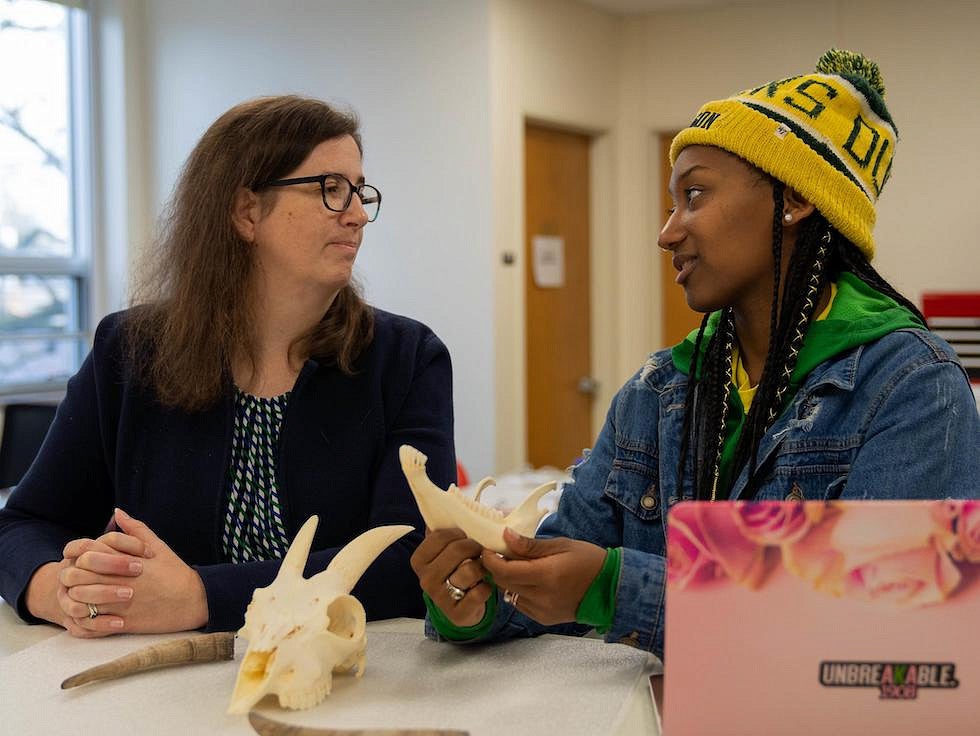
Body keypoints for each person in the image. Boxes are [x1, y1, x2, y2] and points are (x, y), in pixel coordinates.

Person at [411, 50, 980, 659]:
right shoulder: (659, 390)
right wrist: (473, 602)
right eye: (671, 203)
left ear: (794, 201)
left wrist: (615, 587)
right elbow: (552, 583)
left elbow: (890, 633)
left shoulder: (912, 390)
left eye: (696, 194)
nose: (667, 232)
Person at [0, 95, 456, 638]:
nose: (357, 214)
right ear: (246, 212)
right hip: (157, 683)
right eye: (331, 190)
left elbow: (415, 558)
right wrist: (63, 591)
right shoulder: (131, 349)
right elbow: (23, 524)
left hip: (343, 678)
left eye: (359, 192)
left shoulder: (407, 358)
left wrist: (201, 596)